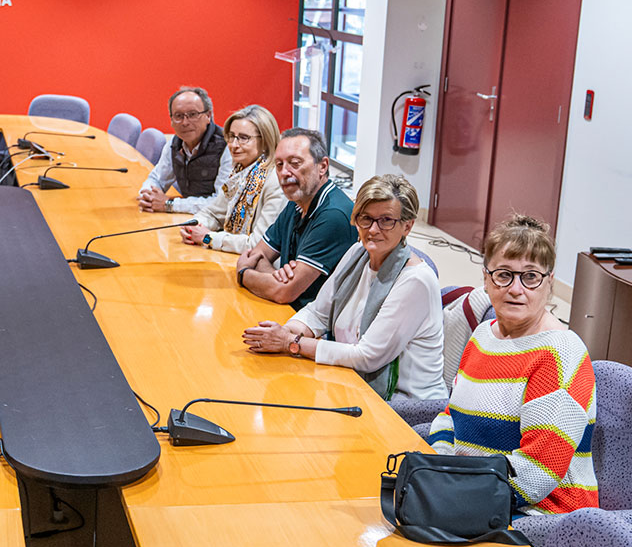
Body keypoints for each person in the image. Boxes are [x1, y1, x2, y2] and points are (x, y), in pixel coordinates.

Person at [429, 215, 597, 516]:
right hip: (476, 494)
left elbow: (535, 475)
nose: (516, 289)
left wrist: (451, 488)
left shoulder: (559, 353)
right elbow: (449, 417)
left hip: (541, 517)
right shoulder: (483, 336)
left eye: (530, 277)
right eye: (504, 274)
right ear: (485, 278)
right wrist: (439, 467)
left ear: (550, 283)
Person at [240, 175, 446, 400]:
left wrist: (291, 343)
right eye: (365, 218)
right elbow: (318, 312)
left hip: (401, 403)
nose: (373, 229)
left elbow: (367, 356)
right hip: (349, 382)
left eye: (386, 220)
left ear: (408, 226)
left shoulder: (415, 280)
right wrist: (284, 332)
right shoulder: (357, 254)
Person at [235, 128, 356, 309]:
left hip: (314, 326)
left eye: (294, 163)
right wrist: (275, 278)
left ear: (322, 166)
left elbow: (284, 292)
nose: (284, 172)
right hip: (285, 310)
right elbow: (257, 254)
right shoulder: (297, 200)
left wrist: (244, 273)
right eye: (279, 165)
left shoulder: (334, 215)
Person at [179, 104, 287, 253]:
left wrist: (208, 238)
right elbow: (213, 214)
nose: (233, 145)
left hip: (262, 269)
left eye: (244, 138)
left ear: (265, 141)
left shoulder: (276, 182)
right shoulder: (240, 172)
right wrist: (194, 226)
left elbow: (258, 245)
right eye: (231, 137)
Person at [137, 86, 233, 214]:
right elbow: (156, 179)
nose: (185, 122)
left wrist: (169, 204)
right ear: (171, 120)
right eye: (178, 116)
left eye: (193, 115)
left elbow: (221, 205)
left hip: (219, 226)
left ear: (208, 115)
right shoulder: (175, 143)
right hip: (188, 218)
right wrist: (148, 195)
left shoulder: (228, 147)